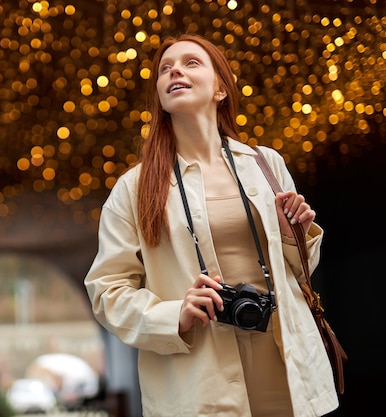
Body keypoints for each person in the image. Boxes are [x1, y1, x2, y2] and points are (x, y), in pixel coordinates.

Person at [84, 33, 339, 417]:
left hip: (287, 365)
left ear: (220, 88)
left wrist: (293, 238)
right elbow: (107, 292)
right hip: (198, 380)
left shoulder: (266, 164)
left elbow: (298, 272)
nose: (174, 72)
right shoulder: (133, 188)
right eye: (165, 69)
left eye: (190, 63)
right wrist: (175, 314)